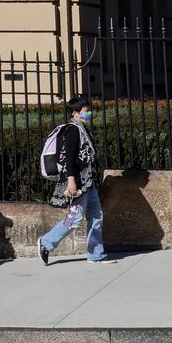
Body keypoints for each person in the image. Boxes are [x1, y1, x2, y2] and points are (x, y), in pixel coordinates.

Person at [37, 94, 104, 264]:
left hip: (90, 182)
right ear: (75, 113)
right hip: (80, 183)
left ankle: (96, 255)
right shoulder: (73, 130)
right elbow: (68, 158)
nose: (89, 114)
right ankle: (46, 242)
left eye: (89, 111)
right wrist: (71, 181)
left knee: (97, 217)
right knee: (74, 219)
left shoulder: (83, 129)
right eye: (86, 111)